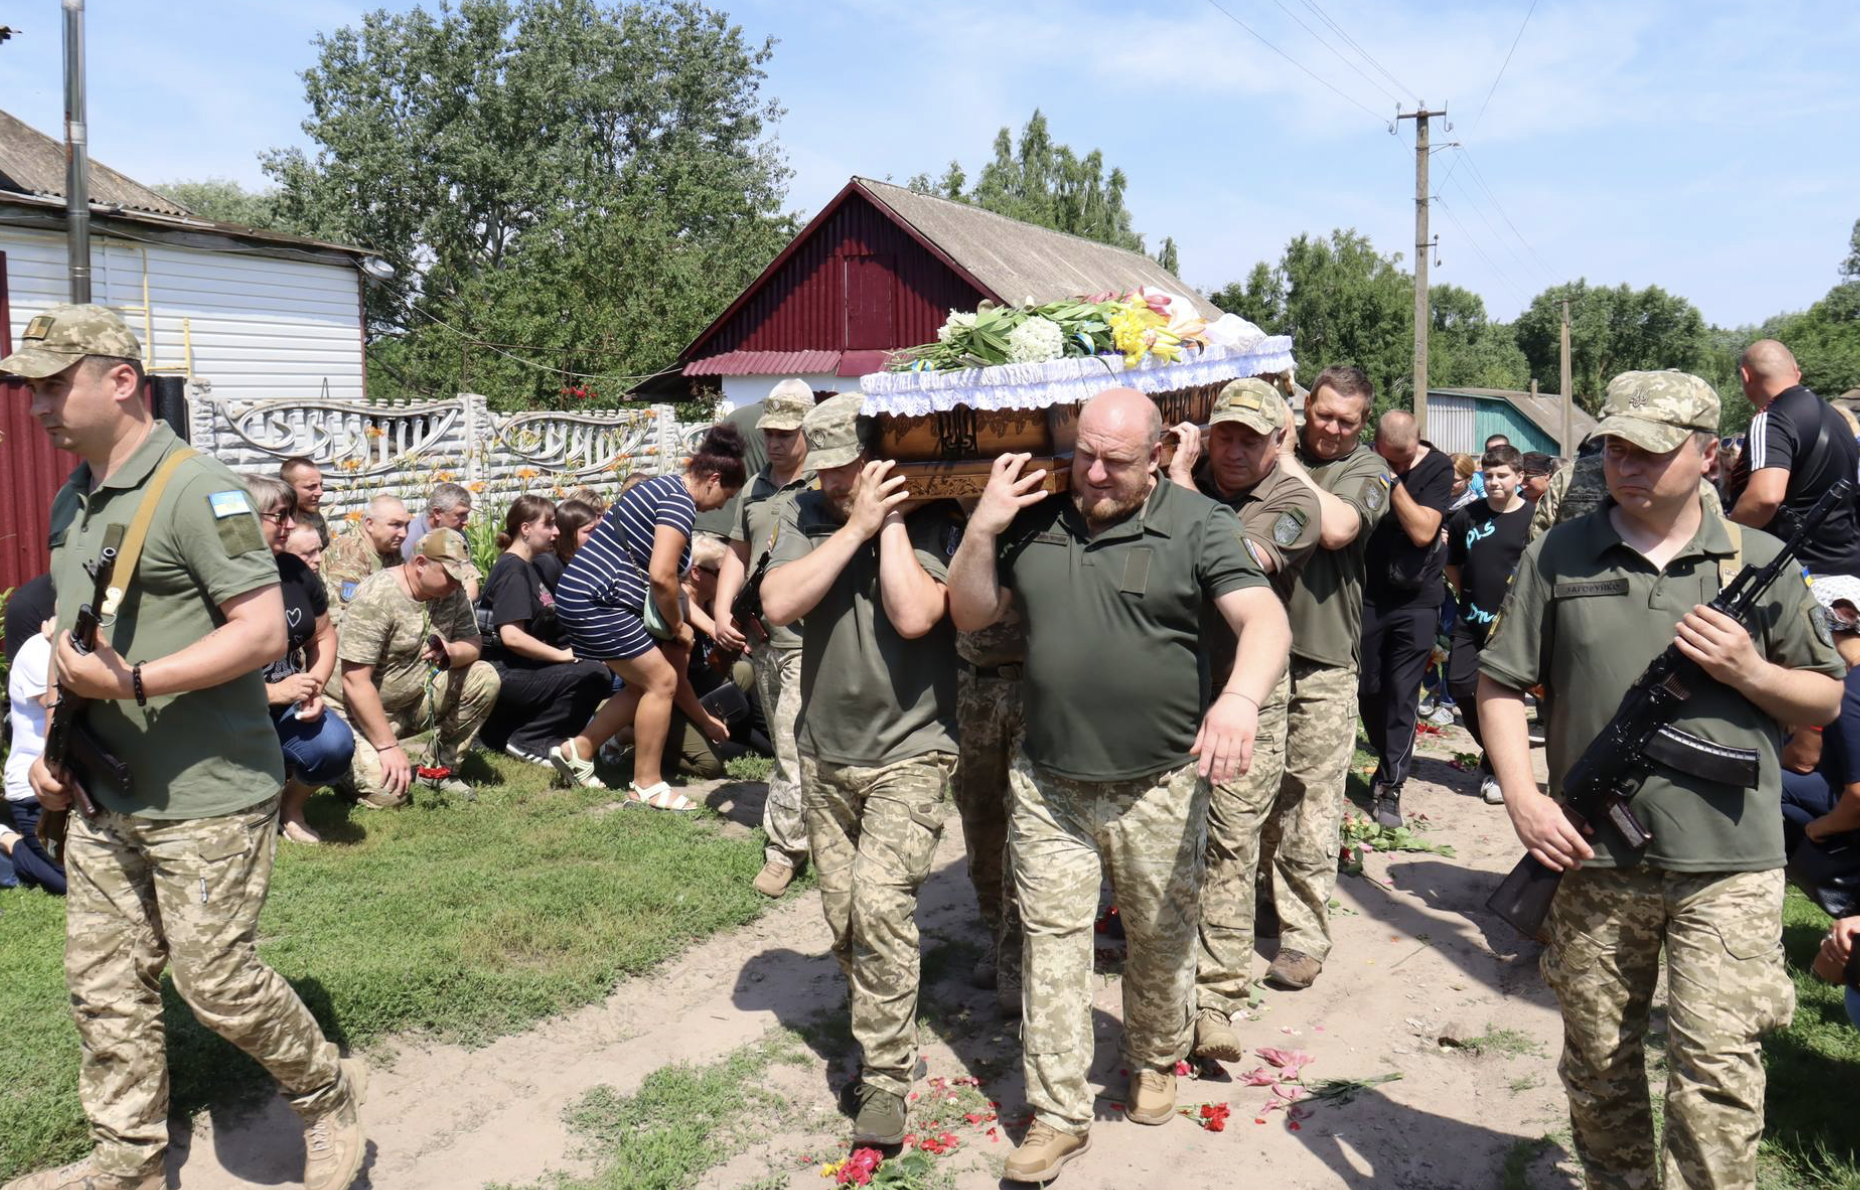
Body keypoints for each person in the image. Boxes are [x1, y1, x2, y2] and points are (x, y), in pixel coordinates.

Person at [3, 303, 364, 1190]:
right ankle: (124, 1159)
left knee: (216, 985)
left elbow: (258, 632)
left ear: (119, 379)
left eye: (54, 384)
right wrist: (52, 742)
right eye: (32, 388)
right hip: (101, 789)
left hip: (207, 791)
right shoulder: (72, 496)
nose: (38, 405)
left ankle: (325, 1096)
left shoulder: (202, 490)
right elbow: (74, 636)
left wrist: (131, 684)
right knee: (106, 988)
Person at [1479, 370, 1844, 1190]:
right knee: (1601, 1065)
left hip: (1732, 862)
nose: (1625, 464)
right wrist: (1523, 797)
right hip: (1594, 857)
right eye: (1614, 447)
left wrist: (1750, 669)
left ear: (1710, 456)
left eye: (1649, 450)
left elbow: (1823, 690)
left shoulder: (1757, 561)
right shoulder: (1559, 552)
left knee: (1716, 1072)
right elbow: (1500, 681)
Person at [948, 388, 1291, 1183]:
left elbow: (1265, 620)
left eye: (1117, 461)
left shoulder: (1199, 525)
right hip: (1051, 782)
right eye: (1085, 455)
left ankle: (1154, 1052)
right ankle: (1058, 1114)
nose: (1095, 473)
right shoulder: (1035, 518)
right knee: (1054, 948)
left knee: (1160, 940)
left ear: (1161, 449)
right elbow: (968, 615)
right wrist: (984, 524)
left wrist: (1239, 699)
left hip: (1163, 783)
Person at [758, 392, 962, 1147]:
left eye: (853, 469)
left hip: (912, 750)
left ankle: (885, 1077)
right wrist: (853, 528)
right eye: (829, 470)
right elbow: (779, 602)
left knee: (879, 908)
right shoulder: (808, 516)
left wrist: (892, 524)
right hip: (824, 750)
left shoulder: (935, 515)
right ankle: (888, 1013)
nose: (837, 482)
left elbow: (916, 615)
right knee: (844, 920)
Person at [1164, 379, 1321, 1063]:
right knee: (1170, 846)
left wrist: (1174, 482)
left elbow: (1239, 555)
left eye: (1249, 440)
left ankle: (1218, 1001)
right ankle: (1168, 990)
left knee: (1231, 845)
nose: (1231, 450)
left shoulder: (1293, 503)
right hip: (1176, 688)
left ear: (1277, 442)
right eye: (1223, 435)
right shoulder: (1186, 475)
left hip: (1250, 694)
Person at [1260, 364, 1391, 992]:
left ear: (1363, 421)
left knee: (1311, 801)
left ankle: (1303, 938)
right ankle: (1255, 902)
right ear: (1305, 404)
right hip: (1251, 657)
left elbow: (1337, 528)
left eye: (1348, 421)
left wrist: (1282, 459)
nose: (1333, 429)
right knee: (1247, 794)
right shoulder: (1259, 446)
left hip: (1322, 659)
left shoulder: (1367, 472)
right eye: (1324, 415)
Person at [552, 427, 746, 805]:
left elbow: (664, 579)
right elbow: (662, 577)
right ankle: (648, 784)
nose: (722, 506)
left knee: (642, 685)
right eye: (727, 496)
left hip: (580, 594)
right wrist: (678, 628)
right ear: (714, 479)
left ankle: (580, 749)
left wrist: (709, 627)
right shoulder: (679, 501)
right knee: (663, 682)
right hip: (598, 599)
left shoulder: (659, 487)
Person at [713, 378, 817, 898]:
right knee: (786, 743)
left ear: (807, 431)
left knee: (796, 747)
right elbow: (736, 551)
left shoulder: (825, 483)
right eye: (770, 433)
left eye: (786, 433)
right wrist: (719, 608)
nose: (775, 442)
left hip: (811, 638)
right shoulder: (754, 488)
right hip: (763, 639)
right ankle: (810, 832)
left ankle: (784, 851)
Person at [329, 529, 498, 807]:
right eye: (451, 575)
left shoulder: (450, 593)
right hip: (355, 713)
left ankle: (438, 770)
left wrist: (450, 651)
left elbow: (473, 642)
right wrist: (388, 747)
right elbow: (354, 681)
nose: (457, 585)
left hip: (413, 703)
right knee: (391, 795)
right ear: (420, 564)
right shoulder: (378, 596)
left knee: (484, 677)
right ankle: (341, 762)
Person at [244, 475, 354, 845]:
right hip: (224, 714)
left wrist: (314, 686)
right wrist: (270, 694)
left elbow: (323, 635)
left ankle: (289, 807)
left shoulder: (295, 571)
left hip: (289, 699)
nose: (291, 525)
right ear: (245, 517)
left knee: (335, 746)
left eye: (291, 514)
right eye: (280, 516)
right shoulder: (215, 579)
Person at [1358, 409, 1453, 828]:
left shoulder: (1437, 466)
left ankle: (1390, 785)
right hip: (1368, 595)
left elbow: (1422, 531)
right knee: (1367, 688)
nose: (1398, 465)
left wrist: (1390, 481)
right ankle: (1384, 756)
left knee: (1402, 693)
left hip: (1418, 599)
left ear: (1418, 444)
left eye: (1404, 458)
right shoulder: (1362, 460)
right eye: (1388, 458)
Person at [477, 495, 613, 766]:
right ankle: (530, 740)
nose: (557, 532)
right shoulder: (513, 570)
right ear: (525, 529)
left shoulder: (527, 567)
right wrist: (562, 656)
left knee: (592, 666)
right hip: (502, 672)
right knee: (594, 674)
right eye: (549, 524)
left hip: (517, 669)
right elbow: (512, 637)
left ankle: (510, 733)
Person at [1443, 444, 1531, 805]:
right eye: (1489, 475)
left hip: (1511, 626)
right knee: (1461, 686)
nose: (1494, 482)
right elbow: (1453, 564)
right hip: (1470, 619)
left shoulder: (1532, 518)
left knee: (1503, 698)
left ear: (1519, 478)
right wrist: (1468, 598)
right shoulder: (1467, 516)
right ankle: (1494, 751)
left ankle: (1499, 771)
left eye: (1502, 475)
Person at [1729, 339, 1860, 580]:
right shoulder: (1837, 418)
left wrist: (1725, 535)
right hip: (1849, 572)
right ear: (1797, 372)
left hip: (1797, 574)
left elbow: (1764, 498)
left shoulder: (1770, 419)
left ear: (1746, 376)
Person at [3, 624, 66, 895]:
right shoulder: (38, 649)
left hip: (80, 788)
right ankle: (8, 840)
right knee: (71, 884)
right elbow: (65, 707)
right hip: (34, 792)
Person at [323, 494, 410, 622]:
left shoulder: (389, 546)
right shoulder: (351, 553)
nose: (404, 533)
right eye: (395, 525)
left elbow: (405, 590)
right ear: (370, 524)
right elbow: (346, 614)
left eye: (406, 525)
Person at [400, 481, 474, 562]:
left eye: (466, 514)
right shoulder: (408, 540)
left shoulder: (457, 533)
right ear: (437, 513)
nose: (465, 522)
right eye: (461, 514)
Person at [538, 497, 599, 591]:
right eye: (588, 531)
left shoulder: (587, 559)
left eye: (596, 529)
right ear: (568, 533)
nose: (595, 535)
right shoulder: (549, 564)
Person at [281, 455, 329, 548]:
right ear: (288, 488)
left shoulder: (314, 514)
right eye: (311, 486)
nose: (320, 493)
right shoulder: (276, 522)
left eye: (320, 485)